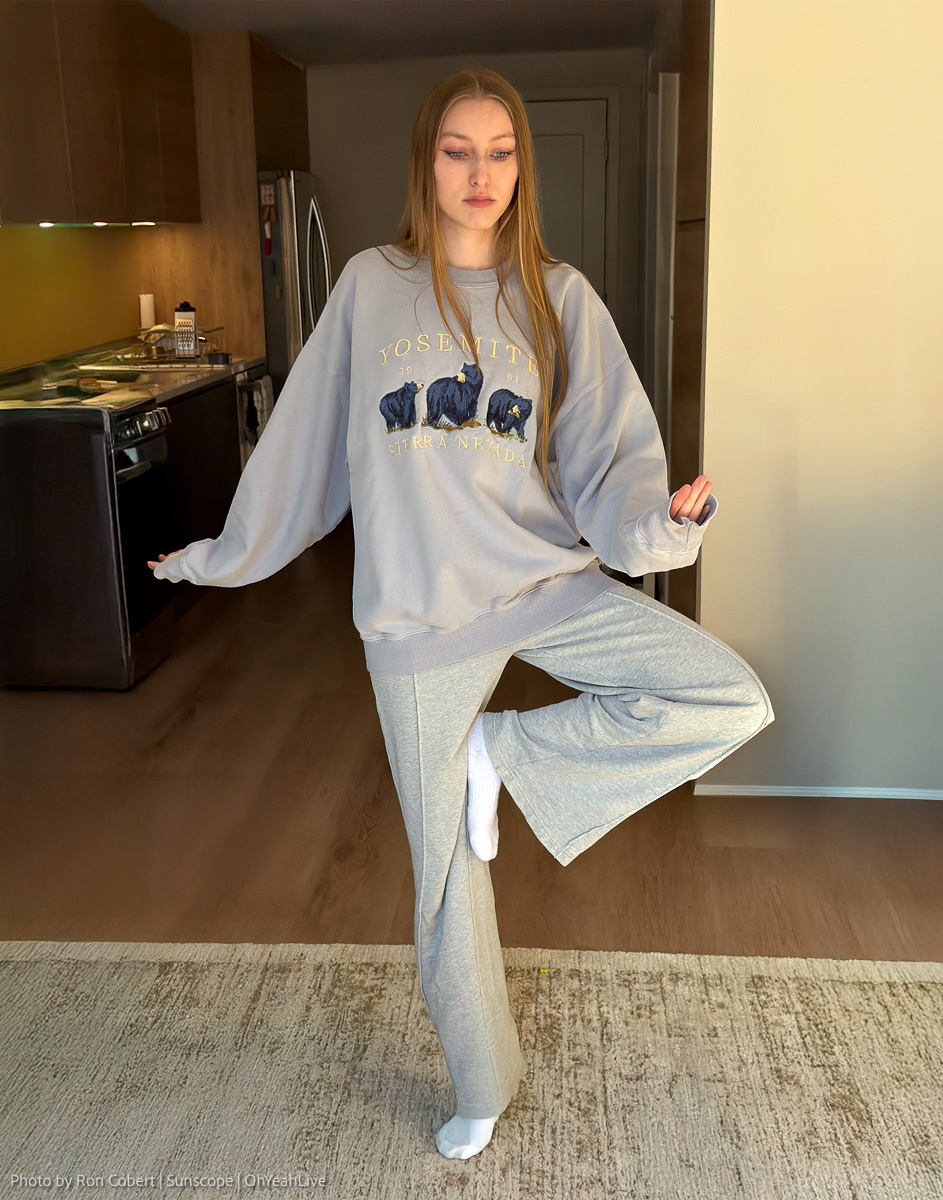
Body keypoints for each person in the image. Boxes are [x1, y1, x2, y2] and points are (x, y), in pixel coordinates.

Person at [148, 68, 774, 1161]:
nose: (479, 173)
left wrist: (662, 530)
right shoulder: (370, 286)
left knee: (727, 695)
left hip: (541, 580)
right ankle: (481, 1084)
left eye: (499, 151)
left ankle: (504, 751)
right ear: (425, 163)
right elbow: (304, 443)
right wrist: (222, 556)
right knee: (444, 881)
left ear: (521, 166)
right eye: (456, 150)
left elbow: (608, 462)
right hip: (420, 619)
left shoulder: (558, 296)